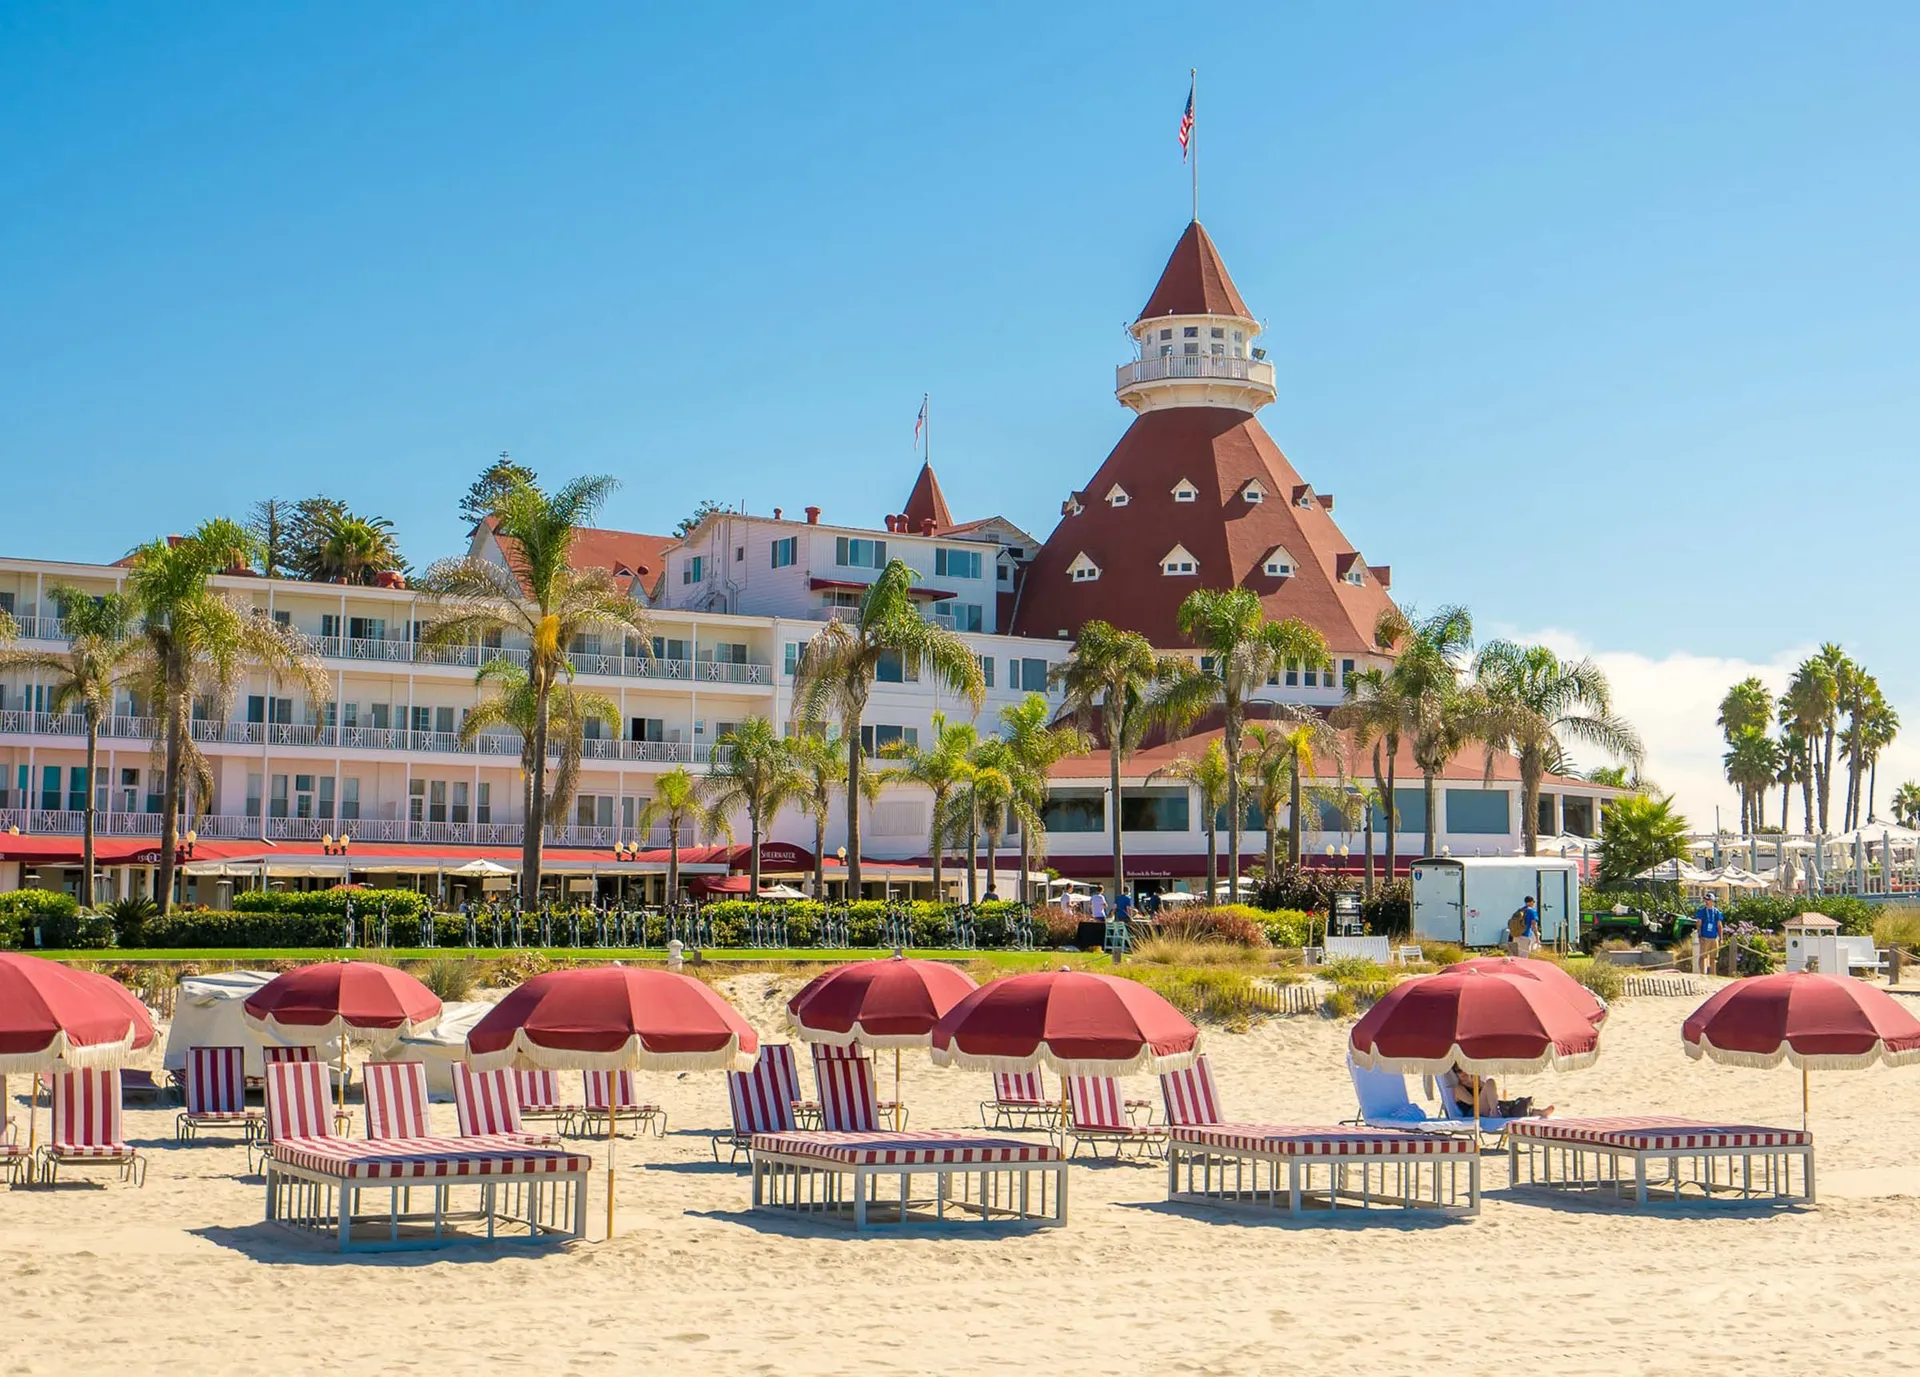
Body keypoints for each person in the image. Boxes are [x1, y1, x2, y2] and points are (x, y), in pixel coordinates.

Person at [1694, 892, 1725, 973]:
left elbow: (1719, 925)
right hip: (1705, 937)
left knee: (1713, 958)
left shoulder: (1717, 912)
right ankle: (1702, 974)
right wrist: (1699, 936)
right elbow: (1698, 924)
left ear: (1712, 901)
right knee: (1703, 957)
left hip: (1714, 938)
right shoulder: (1702, 911)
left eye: (1708, 900)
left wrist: (1721, 938)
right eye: (1705, 900)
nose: (1706, 901)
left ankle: (1712, 974)